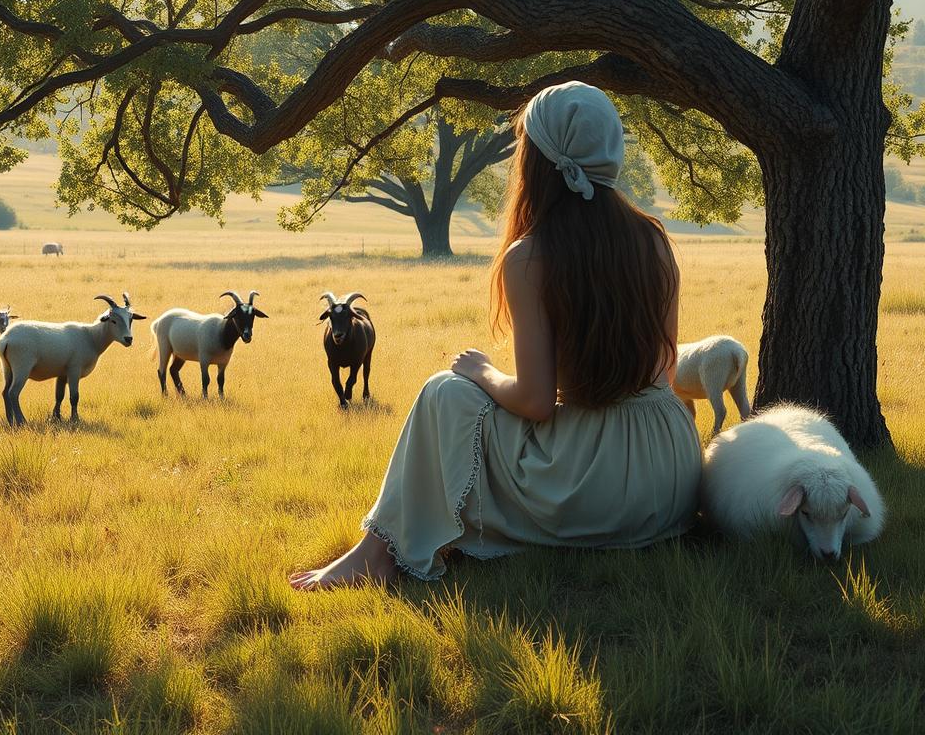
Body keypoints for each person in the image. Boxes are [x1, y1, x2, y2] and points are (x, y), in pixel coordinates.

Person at [289, 82, 701, 590]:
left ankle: (376, 553)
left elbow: (535, 402)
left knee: (444, 389)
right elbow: (667, 371)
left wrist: (482, 372)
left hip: (593, 491)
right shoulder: (654, 241)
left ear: (540, 163)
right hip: (669, 484)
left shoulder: (531, 257)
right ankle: (381, 549)